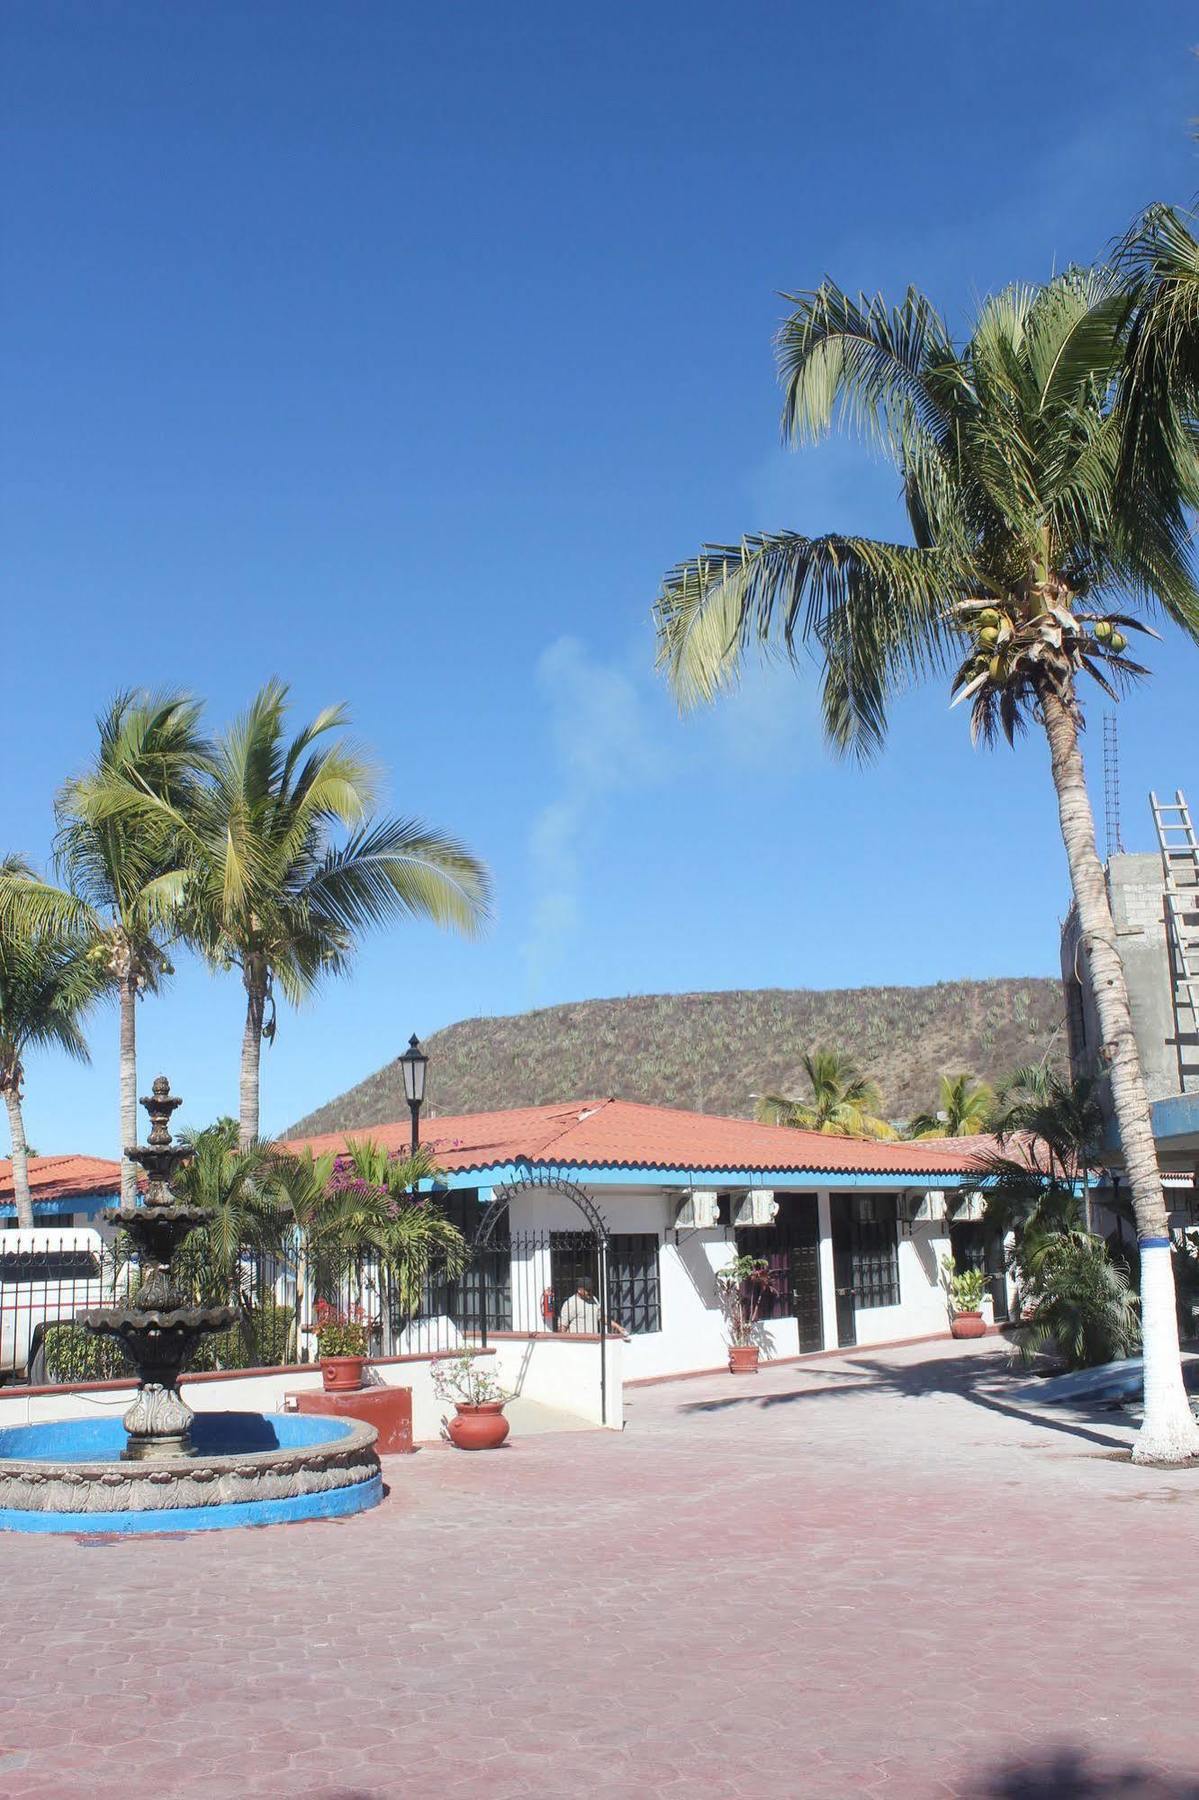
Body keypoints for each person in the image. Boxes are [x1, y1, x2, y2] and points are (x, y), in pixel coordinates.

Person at [557, 1277, 627, 1338]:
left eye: (591, 1289)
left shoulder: (594, 1299)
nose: (590, 1292)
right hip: (577, 1344)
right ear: (579, 1290)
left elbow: (602, 1317)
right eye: (587, 1290)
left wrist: (618, 1327)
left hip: (593, 1342)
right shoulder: (571, 1303)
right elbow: (562, 1326)